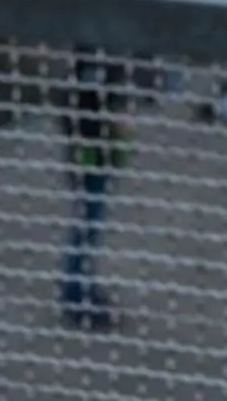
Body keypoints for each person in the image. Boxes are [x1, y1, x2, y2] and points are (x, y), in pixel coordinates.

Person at [57, 44, 138, 331]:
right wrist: (114, 123)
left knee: (91, 223)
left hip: (97, 152)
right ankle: (75, 297)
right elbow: (84, 112)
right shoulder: (91, 66)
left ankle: (83, 286)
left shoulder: (95, 63)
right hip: (91, 154)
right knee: (87, 224)